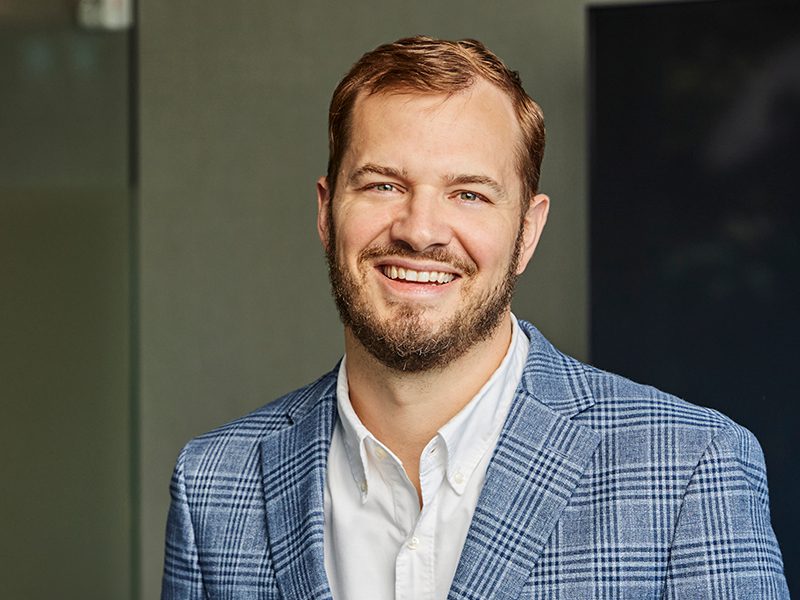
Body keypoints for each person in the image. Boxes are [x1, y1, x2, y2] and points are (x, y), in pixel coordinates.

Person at [161, 36, 789, 599]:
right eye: (382, 184)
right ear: (327, 213)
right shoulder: (215, 484)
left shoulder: (686, 469)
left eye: (469, 194)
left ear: (528, 232)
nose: (421, 230)